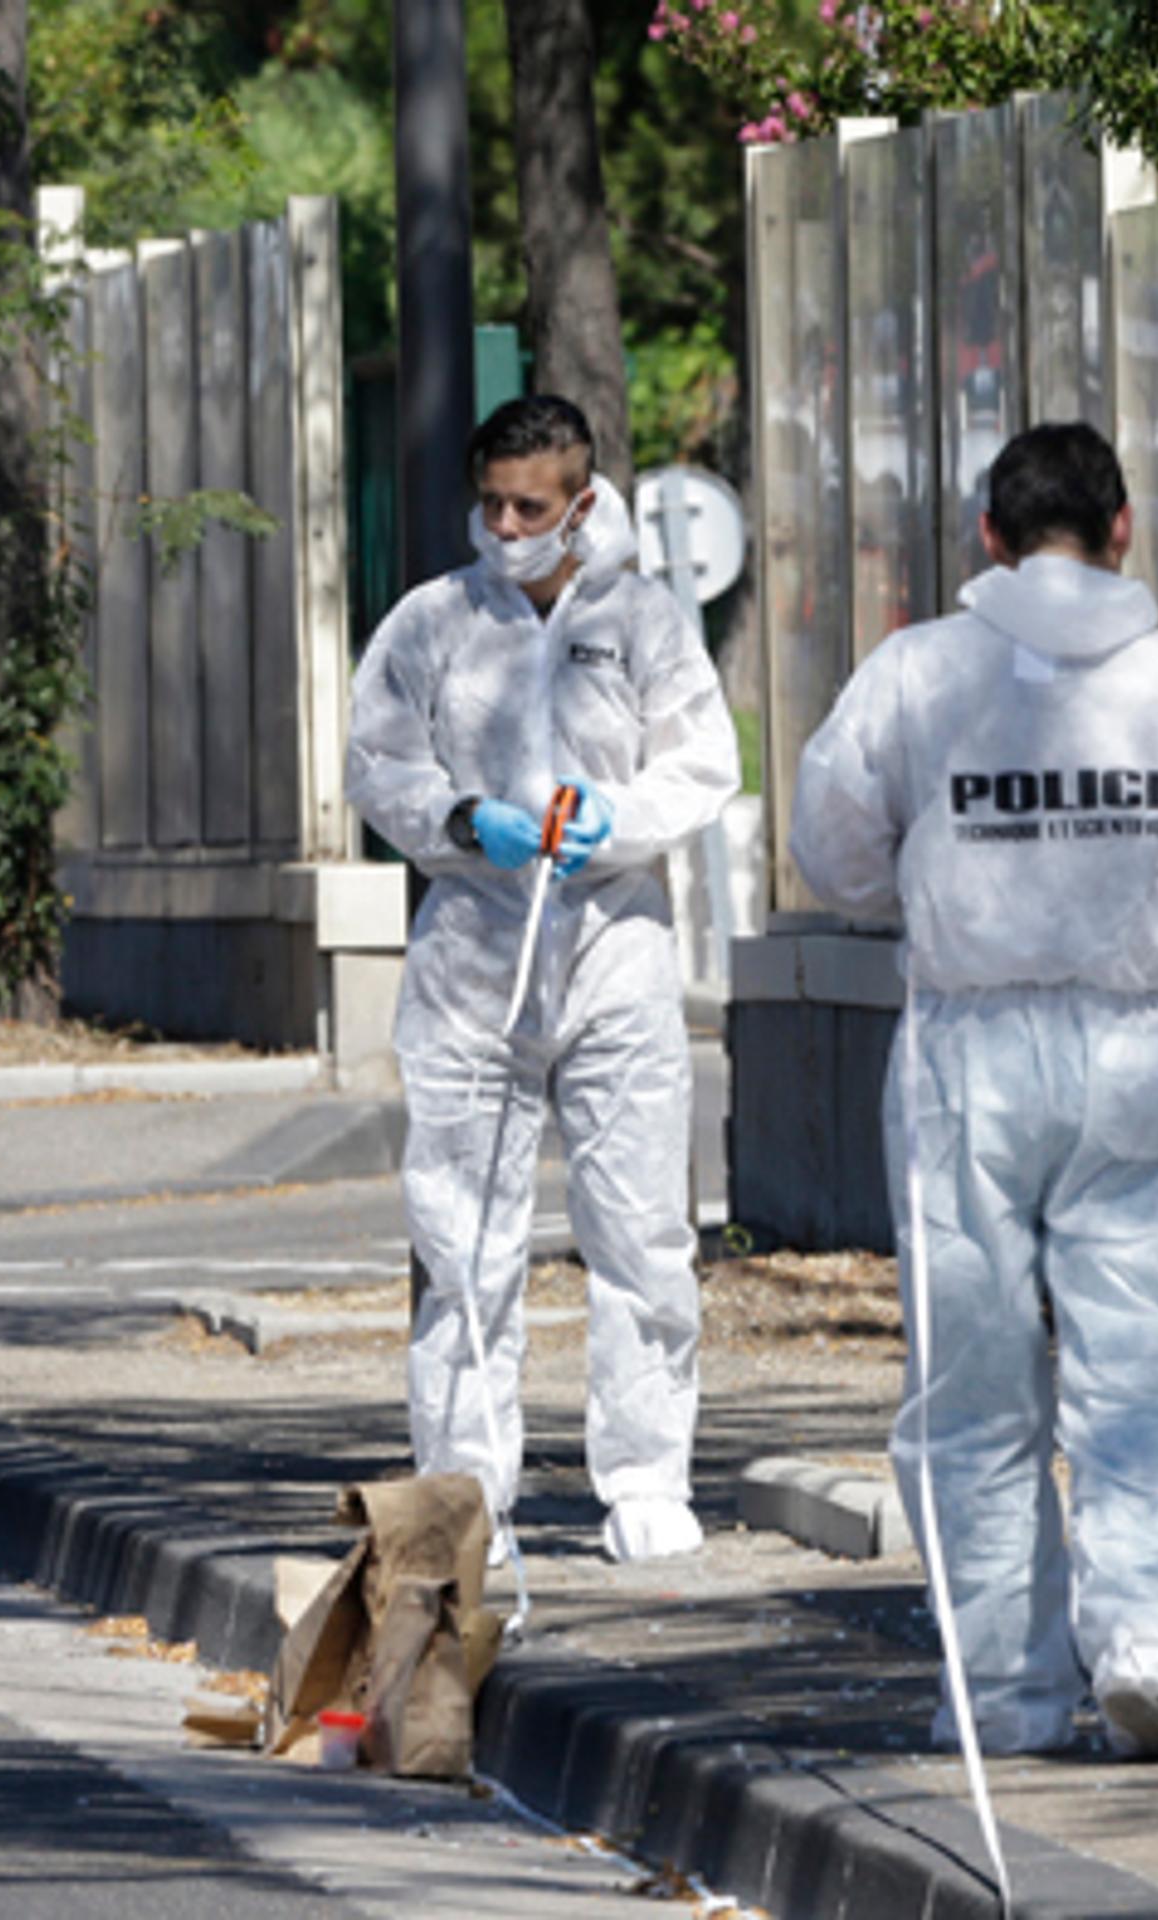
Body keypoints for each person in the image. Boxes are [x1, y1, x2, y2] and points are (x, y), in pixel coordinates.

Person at [789, 422, 1158, 1758]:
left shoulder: (913, 675)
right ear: (1121, 530)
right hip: (1139, 1052)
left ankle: (1006, 1695)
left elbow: (829, 850)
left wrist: (949, 875)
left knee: (970, 1385)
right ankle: (1141, 1638)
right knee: (1138, 1366)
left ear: (988, 539)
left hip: (964, 1057)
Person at [346, 395, 741, 1565]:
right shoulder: (433, 622)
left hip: (615, 949)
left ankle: (647, 1479)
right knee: (464, 1233)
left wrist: (613, 819)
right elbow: (379, 760)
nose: (508, 525)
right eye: (493, 503)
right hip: (475, 953)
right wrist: (464, 817)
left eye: (533, 506)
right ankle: (466, 1498)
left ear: (582, 502)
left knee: (640, 1232)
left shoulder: (643, 620)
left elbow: (703, 763)